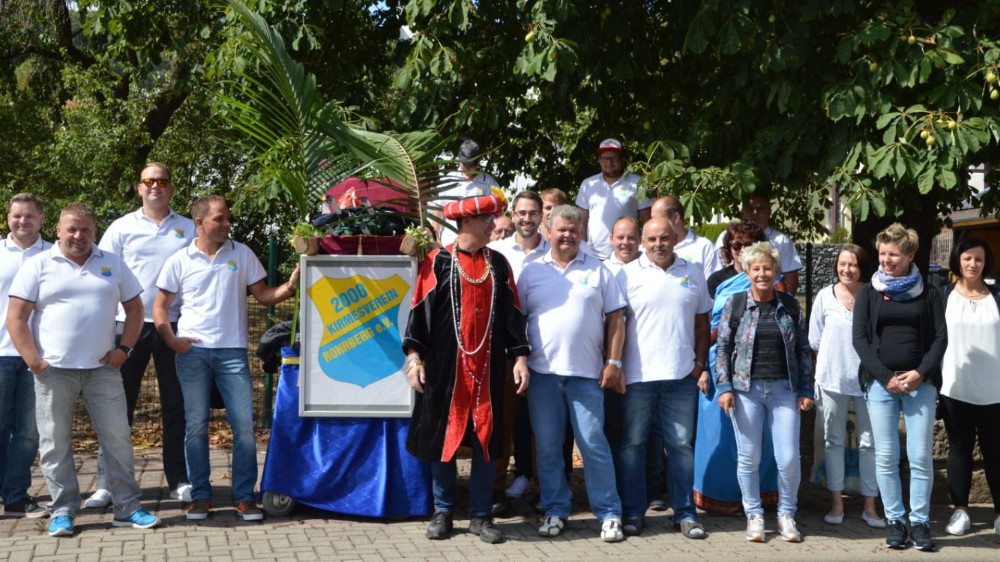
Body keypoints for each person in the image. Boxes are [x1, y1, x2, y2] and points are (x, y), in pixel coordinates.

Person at [7, 203, 161, 537]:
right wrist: (35, 362)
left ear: (95, 232)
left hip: (103, 370)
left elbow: (135, 309)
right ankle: (63, 510)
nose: (79, 236)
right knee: (55, 443)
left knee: (118, 439)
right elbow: (16, 318)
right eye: (72, 229)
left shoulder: (112, 262)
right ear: (58, 231)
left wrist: (124, 350)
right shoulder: (38, 265)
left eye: (86, 230)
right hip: (53, 372)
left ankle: (127, 508)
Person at [153, 195, 300, 522]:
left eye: (227, 218)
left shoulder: (242, 253)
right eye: (219, 218)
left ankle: (245, 497)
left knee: (244, 426)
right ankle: (200, 496)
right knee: (195, 426)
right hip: (192, 353)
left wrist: (290, 287)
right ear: (200, 222)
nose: (226, 223)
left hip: (232, 353)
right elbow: (160, 307)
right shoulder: (179, 260)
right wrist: (171, 339)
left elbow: (264, 296)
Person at [403, 194, 530, 544]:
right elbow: (419, 314)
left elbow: (513, 316)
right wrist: (414, 358)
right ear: (468, 222)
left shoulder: (498, 264)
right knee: (442, 437)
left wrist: (520, 358)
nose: (494, 225)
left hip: (488, 371)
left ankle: (480, 516)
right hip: (445, 371)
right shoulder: (437, 262)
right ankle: (443, 512)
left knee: (487, 440)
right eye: (488, 219)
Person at [86, 163, 196, 509]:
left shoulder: (189, 227)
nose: (155, 186)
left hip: (174, 325)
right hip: (127, 325)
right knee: (117, 407)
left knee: (176, 405)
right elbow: (103, 272)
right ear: (139, 188)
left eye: (162, 181)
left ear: (171, 187)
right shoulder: (121, 227)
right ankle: (107, 484)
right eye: (149, 181)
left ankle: (179, 479)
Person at [518, 204, 627, 543]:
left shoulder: (599, 270)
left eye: (574, 231)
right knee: (548, 448)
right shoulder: (531, 272)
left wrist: (613, 362)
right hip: (542, 374)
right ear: (548, 231)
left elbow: (616, 319)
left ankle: (609, 513)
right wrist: (519, 361)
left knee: (593, 444)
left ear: (582, 233)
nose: (567, 235)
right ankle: (555, 510)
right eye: (561, 230)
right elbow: (519, 322)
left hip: (586, 375)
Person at [853, 223, 946, 552]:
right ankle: (895, 521)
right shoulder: (869, 292)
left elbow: (940, 339)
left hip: (921, 384)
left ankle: (920, 523)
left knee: (919, 456)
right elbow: (860, 340)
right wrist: (885, 377)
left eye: (893, 254)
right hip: (882, 385)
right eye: (882, 254)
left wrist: (920, 373)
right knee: (887, 456)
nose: (886, 260)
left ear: (910, 255)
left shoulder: (930, 292)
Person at [616, 217, 711, 539]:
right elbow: (614, 323)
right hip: (637, 377)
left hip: (681, 376)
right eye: (652, 239)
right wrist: (616, 365)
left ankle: (685, 513)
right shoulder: (626, 274)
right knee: (632, 445)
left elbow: (702, 322)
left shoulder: (693, 271)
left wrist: (699, 364)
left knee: (681, 446)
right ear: (643, 242)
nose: (659, 244)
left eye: (664, 238)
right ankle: (633, 512)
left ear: (675, 239)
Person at [716, 241, 814, 543]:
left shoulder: (790, 305)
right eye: (756, 268)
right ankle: (754, 514)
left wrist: (806, 389)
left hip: (785, 389)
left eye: (767, 268)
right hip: (746, 390)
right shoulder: (735, 304)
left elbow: (802, 349)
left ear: (776, 271)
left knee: (788, 458)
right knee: (749, 457)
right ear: (747, 272)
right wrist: (725, 387)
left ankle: (786, 513)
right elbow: (723, 348)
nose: (762, 274)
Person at [694, 221, 774, 515]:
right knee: (720, 433)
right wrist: (703, 367)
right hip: (720, 364)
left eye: (749, 244)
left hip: (759, 366)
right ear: (729, 249)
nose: (742, 250)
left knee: (757, 434)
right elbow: (707, 325)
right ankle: (719, 496)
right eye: (736, 245)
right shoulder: (717, 280)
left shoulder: (771, 279)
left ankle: (758, 496)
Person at [808, 244, 884, 528]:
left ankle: (870, 506)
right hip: (832, 379)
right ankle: (836, 503)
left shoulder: (874, 295)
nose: (847, 269)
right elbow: (814, 340)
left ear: (862, 267)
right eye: (842, 264)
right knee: (833, 441)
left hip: (868, 381)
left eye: (853, 264)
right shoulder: (824, 296)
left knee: (869, 444)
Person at [487, 191, 548, 511]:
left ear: (542, 216)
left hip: (544, 348)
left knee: (543, 424)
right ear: (513, 215)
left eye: (533, 213)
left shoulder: (553, 251)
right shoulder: (496, 251)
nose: (527, 218)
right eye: (522, 212)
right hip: (505, 348)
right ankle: (496, 488)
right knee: (502, 420)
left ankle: (544, 487)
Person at [939, 236, 1000, 538]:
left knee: (996, 452)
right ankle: (960, 511)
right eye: (967, 258)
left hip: (995, 390)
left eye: (978, 259)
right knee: (959, 449)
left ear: (985, 262)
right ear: (958, 261)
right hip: (955, 387)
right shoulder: (943, 295)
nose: (973, 264)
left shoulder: (997, 295)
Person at [0, 194, 50, 519]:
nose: (23, 221)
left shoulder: (54, 255)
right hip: (1, 353)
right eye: (17, 215)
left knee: (29, 432)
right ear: (8, 218)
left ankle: (16, 496)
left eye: (29, 216)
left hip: (39, 356)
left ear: (42, 219)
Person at [576, 138, 651, 260]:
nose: (609, 163)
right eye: (605, 159)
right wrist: (582, 249)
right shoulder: (588, 184)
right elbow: (581, 222)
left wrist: (644, 248)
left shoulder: (638, 183)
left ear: (622, 159)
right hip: (594, 256)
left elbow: (647, 221)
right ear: (599, 161)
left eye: (614, 159)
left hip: (627, 255)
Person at [715, 193, 803, 295]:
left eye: (760, 209)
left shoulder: (782, 241)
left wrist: (785, 302)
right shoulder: (726, 236)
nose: (755, 213)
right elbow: (717, 270)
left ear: (769, 212)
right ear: (742, 211)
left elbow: (791, 280)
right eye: (750, 208)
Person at [433, 139, 499, 247]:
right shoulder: (448, 179)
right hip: (448, 241)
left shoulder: (489, 183)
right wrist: (435, 237)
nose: (468, 168)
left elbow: (497, 215)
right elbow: (439, 210)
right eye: (465, 164)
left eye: (471, 164)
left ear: (478, 162)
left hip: (478, 244)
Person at [650, 194, 721, 280]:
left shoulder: (704, 247)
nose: (654, 223)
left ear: (675, 218)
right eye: (652, 219)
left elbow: (713, 285)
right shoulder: (646, 249)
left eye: (658, 219)